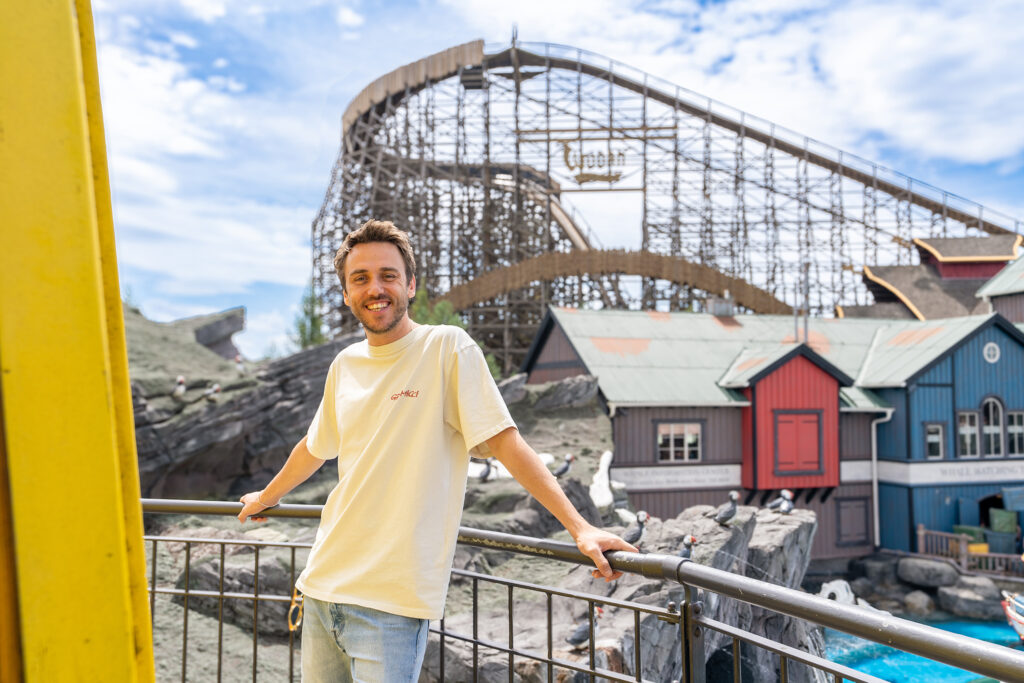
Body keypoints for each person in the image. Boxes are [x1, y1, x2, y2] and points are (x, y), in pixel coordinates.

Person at [237, 219, 636, 682]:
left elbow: (505, 440)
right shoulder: (344, 365)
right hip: (322, 587)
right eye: (360, 279)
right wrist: (266, 497)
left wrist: (581, 528)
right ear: (347, 294)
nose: (375, 288)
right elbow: (314, 447)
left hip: (391, 604)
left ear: (410, 284)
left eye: (388, 275)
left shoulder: (446, 347)